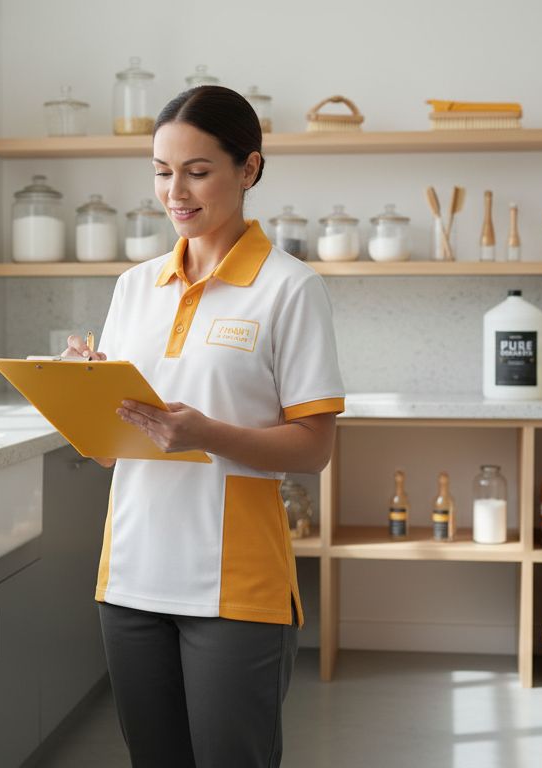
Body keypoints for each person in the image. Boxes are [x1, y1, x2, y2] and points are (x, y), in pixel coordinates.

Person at [61, 85, 344, 767]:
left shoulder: (290, 288)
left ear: (248, 169)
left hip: (235, 584)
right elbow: (112, 449)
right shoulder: (135, 287)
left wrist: (206, 432)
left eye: (196, 170)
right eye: (162, 171)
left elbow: (315, 449)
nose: (174, 191)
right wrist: (84, 393)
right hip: (130, 574)